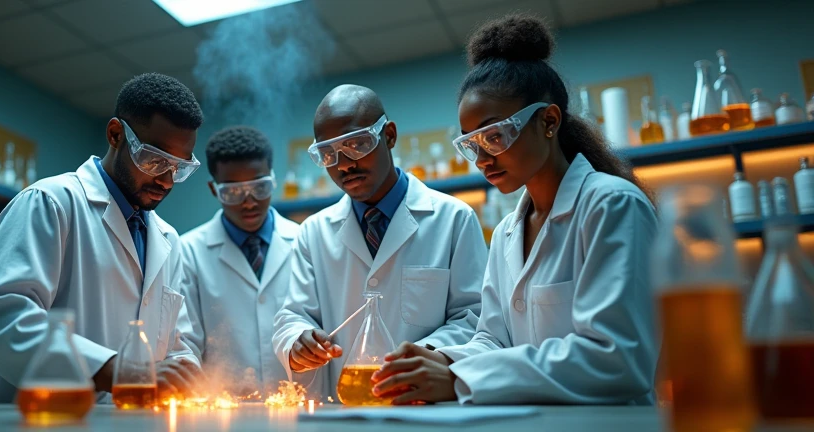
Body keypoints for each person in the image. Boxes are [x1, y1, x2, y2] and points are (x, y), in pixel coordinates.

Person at [370, 15, 658, 405]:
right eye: (472, 144)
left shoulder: (611, 205)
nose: (482, 158)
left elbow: (615, 357)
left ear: (549, 121)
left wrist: (457, 380)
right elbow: (493, 338)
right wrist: (438, 361)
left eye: (494, 135)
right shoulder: (508, 230)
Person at [0, 73, 207, 403]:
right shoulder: (50, 203)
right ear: (115, 135)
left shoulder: (168, 239)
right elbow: (2, 319)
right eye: (155, 160)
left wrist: (184, 368)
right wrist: (116, 369)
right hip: (40, 420)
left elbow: (175, 342)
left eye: (179, 168)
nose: (167, 181)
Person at [271, 84, 489, 400]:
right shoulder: (314, 232)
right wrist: (298, 341)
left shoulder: (454, 218)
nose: (344, 164)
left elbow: (473, 316)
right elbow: (293, 315)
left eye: (356, 144)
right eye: (329, 154)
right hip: (348, 405)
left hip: (422, 403)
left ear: (388, 135)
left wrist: (424, 354)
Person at [180, 126, 300, 395]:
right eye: (233, 192)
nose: (249, 202)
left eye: (260, 187)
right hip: (223, 408)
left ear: (273, 179)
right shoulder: (188, 251)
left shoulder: (304, 241)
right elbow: (186, 343)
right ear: (214, 189)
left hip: (301, 403)